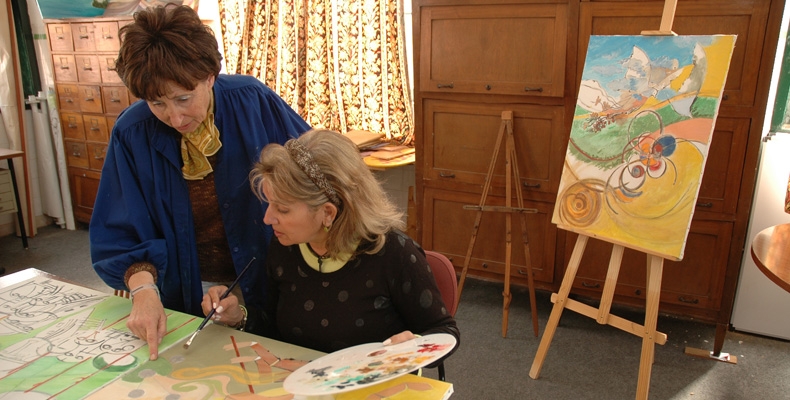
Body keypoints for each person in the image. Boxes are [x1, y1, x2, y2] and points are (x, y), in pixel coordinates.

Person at [89, 5, 310, 361]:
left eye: (183, 98)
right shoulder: (132, 133)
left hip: (271, 278)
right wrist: (143, 291)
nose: (175, 117)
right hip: (184, 288)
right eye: (157, 103)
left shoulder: (252, 100)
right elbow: (119, 233)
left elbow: (317, 176)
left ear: (209, 76)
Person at [202, 129, 460, 357]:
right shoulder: (285, 247)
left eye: (283, 209)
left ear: (328, 212)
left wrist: (414, 346)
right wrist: (238, 316)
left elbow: (444, 332)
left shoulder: (393, 253)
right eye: (269, 204)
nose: (267, 219)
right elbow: (273, 328)